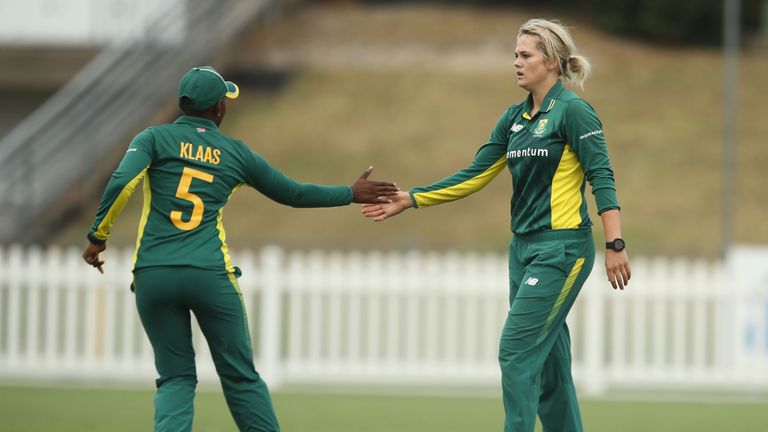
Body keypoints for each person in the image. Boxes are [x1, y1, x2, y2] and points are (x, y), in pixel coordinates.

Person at [82, 65, 398, 432]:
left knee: (175, 378)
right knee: (240, 377)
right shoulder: (235, 153)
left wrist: (97, 237)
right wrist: (348, 193)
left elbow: (122, 180)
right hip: (210, 276)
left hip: (154, 274)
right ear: (218, 109)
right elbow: (292, 193)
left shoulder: (153, 138)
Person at [362, 19, 631, 432]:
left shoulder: (573, 112)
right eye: (515, 55)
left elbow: (602, 177)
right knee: (552, 367)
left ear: (553, 62)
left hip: (561, 251)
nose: (517, 63)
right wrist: (411, 198)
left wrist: (615, 244)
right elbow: (474, 175)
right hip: (522, 252)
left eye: (525, 55)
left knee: (516, 351)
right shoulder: (514, 119)